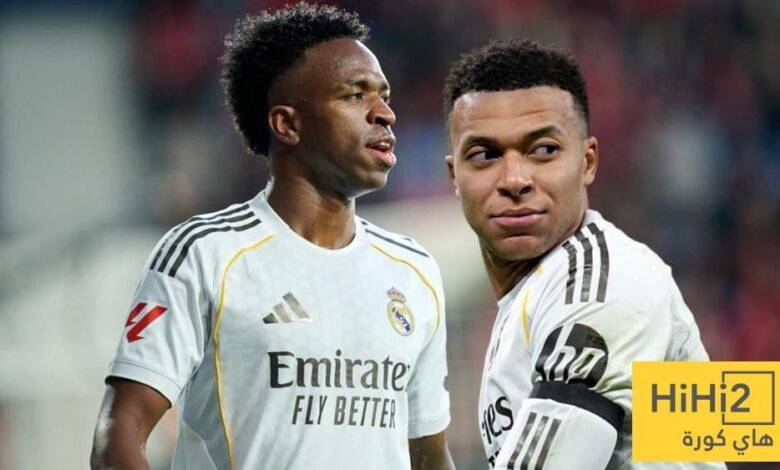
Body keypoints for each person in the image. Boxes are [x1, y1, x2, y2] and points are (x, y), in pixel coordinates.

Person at [90, 4, 453, 469]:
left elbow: (429, 457)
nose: (384, 113)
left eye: (384, 96)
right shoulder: (205, 255)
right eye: (354, 95)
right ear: (287, 124)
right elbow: (118, 435)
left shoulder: (414, 271)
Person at [443, 39, 725, 469]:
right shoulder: (538, 292)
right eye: (485, 155)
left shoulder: (604, 282)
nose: (514, 179)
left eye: (543, 150)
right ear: (454, 175)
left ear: (588, 161)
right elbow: (713, 431)